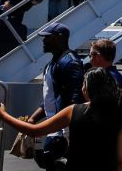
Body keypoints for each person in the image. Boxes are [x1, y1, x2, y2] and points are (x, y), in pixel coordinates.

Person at [0, 67, 122, 171]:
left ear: (87, 89)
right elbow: (121, 160)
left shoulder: (74, 111)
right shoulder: (118, 113)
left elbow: (35, 131)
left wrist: (3, 115)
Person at [25, 23, 84, 168]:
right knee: (41, 159)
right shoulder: (52, 64)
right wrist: (33, 119)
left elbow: (75, 102)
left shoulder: (70, 63)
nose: (43, 41)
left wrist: (69, 135)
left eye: (47, 38)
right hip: (52, 129)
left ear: (60, 38)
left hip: (62, 132)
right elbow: (50, 98)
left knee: (52, 162)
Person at [89, 39, 122, 140]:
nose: (89, 60)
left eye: (90, 55)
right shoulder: (121, 78)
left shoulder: (101, 78)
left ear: (98, 56)